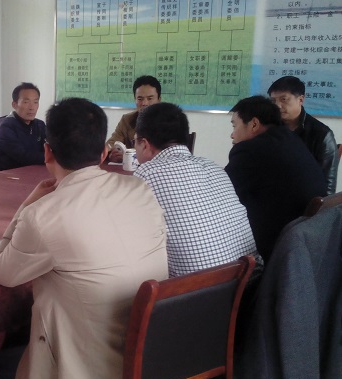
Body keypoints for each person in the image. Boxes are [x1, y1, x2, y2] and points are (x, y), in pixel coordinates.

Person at [0, 97, 167, 379]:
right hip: (151, 356)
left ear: (47, 151)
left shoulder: (44, 214)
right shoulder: (140, 190)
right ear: (104, 151)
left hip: (94, 367)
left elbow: (2, 272)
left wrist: (27, 205)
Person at [133, 102, 260, 277]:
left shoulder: (147, 174)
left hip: (194, 289)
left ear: (144, 144)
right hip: (248, 279)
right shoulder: (213, 166)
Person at [225, 96, 326, 260]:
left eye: (235, 125)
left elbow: (222, 194)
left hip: (276, 245)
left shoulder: (250, 150)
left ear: (254, 124)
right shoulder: (290, 139)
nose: (232, 134)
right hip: (307, 243)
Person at [267, 76, 338, 195]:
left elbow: (328, 187)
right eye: (273, 101)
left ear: (301, 100)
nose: (278, 106)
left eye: (284, 99)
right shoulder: (269, 129)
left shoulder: (322, 134)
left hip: (307, 200)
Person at [105, 75, 162, 162]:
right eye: (140, 99)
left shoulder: (169, 122)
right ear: (135, 99)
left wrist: (130, 156)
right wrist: (112, 154)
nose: (144, 103)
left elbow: (167, 152)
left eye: (150, 98)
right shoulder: (127, 120)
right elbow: (111, 144)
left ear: (159, 100)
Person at [0, 82, 46, 171]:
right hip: (9, 176)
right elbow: (24, 157)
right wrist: (54, 157)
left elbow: (51, 147)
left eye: (35, 102)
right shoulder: (5, 127)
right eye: (26, 102)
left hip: (33, 172)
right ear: (14, 104)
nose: (32, 107)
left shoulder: (39, 125)